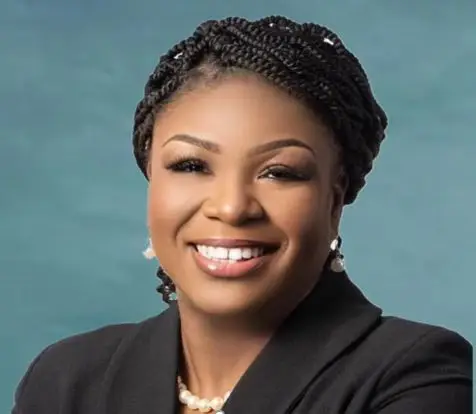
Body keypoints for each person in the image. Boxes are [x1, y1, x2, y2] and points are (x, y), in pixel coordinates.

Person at [12, 16, 472, 414]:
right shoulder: (67, 378)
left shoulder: (414, 374)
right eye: (191, 166)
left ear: (335, 200)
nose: (231, 207)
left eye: (279, 173)